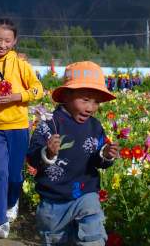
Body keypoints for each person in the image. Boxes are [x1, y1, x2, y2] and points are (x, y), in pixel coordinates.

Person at [27, 61, 119, 245]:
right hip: (54, 201)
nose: (91, 108)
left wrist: (106, 155)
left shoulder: (95, 126)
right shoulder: (50, 125)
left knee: (93, 237)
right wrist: (48, 153)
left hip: (86, 194)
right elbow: (33, 157)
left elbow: (97, 159)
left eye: (96, 102)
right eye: (85, 100)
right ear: (66, 96)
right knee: (56, 240)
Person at [0, 18, 44, 238]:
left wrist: (18, 96)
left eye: (7, 40)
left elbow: (38, 90)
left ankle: (12, 202)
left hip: (18, 127)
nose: (2, 44)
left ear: (14, 41)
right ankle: (1, 221)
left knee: (15, 175)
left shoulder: (20, 63)